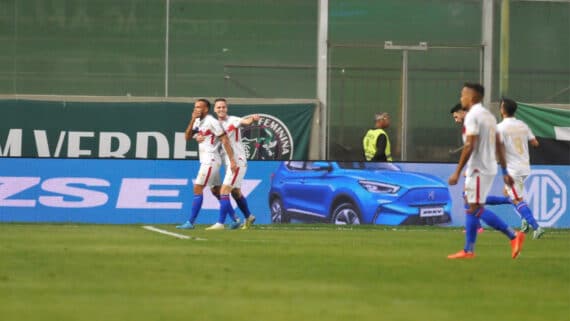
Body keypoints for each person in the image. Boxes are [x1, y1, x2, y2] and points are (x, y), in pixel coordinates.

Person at [447, 83, 525, 259]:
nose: (461, 98)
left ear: (473, 97)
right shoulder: (489, 117)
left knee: (474, 208)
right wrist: (504, 170)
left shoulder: (473, 116)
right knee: (471, 205)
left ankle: (513, 236)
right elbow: (498, 144)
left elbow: (469, 145)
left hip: (478, 168)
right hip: (487, 166)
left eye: (463, 95)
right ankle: (468, 250)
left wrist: (457, 172)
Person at [176, 98, 237, 230]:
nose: (196, 109)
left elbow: (225, 140)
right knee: (216, 191)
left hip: (211, 159)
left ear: (206, 109)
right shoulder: (198, 121)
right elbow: (186, 137)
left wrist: (232, 160)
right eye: (195, 107)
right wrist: (193, 121)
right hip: (206, 160)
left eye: (199, 107)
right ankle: (235, 219)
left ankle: (190, 222)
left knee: (197, 188)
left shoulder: (212, 121)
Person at [199, 98, 259, 230]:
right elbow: (203, 135)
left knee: (224, 190)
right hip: (229, 161)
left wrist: (252, 119)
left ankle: (220, 223)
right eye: (219, 107)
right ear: (214, 109)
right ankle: (249, 216)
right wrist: (198, 137)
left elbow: (246, 122)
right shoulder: (214, 125)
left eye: (223, 107)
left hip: (237, 160)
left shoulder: (233, 120)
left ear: (227, 109)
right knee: (236, 192)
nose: (221, 109)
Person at [497, 98, 544, 239]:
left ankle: (536, 227)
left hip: (513, 169)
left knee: (516, 199)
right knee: (509, 194)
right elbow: (535, 143)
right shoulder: (523, 125)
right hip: (524, 166)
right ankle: (525, 220)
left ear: (502, 110)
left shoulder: (500, 127)